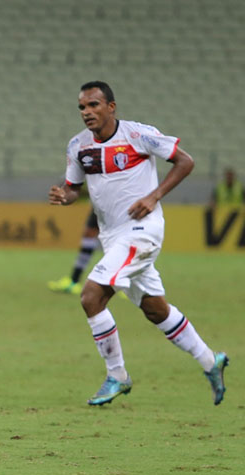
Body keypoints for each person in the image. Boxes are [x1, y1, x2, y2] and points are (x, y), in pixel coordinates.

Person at [48, 81, 229, 406]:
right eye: (82, 107)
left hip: (142, 230)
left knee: (91, 297)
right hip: (112, 237)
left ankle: (117, 376)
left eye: (93, 105)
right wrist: (65, 196)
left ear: (111, 107)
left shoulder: (137, 135)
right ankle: (209, 360)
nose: (87, 112)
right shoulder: (78, 146)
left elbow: (185, 161)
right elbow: (74, 188)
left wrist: (154, 195)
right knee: (155, 309)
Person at [47, 210, 101, 295]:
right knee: (89, 233)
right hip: (101, 202)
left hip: (119, 203)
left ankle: (125, 284)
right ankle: (74, 280)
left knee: (118, 238)